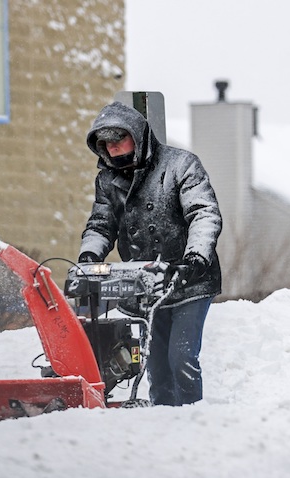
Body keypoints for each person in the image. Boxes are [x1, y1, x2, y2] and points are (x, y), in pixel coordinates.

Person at [78, 101, 222, 406]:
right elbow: (102, 223)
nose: (115, 149)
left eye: (120, 140)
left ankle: (194, 418)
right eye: (108, 144)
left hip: (189, 281)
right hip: (145, 284)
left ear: (138, 136)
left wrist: (195, 257)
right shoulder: (107, 181)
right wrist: (90, 255)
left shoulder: (181, 165)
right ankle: (163, 420)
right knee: (155, 365)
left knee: (181, 358)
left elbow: (204, 213)